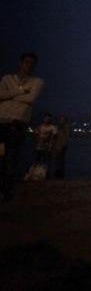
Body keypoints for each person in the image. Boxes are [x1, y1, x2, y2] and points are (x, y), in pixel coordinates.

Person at [0, 52, 44, 201]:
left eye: (31, 63)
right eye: (26, 62)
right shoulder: (7, 78)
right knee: (3, 156)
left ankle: (7, 190)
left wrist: (9, 95)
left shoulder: (37, 82)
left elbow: (31, 98)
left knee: (11, 157)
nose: (28, 65)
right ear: (20, 63)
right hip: (1, 120)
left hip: (18, 122)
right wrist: (20, 92)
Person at [33, 112, 58, 177]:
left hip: (47, 147)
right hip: (39, 146)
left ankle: (45, 174)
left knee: (45, 161)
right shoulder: (40, 127)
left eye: (48, 119)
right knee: (37, 160)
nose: (47, 120)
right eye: (46, 119)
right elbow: (36, 135)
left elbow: (54, 137)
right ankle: (34, 173)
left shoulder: (53, 128)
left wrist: (51, 145)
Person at [52, 115, 70, 179]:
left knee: (60, 161)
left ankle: (59, 174)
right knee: (58, 161)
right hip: (57, 147)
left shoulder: (65, 128)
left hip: (61, 147)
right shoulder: (58, 128)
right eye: (60, 119)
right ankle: (57, 174)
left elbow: (65, 138)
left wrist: (63, 145)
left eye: (62, 119)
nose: (61, 121)